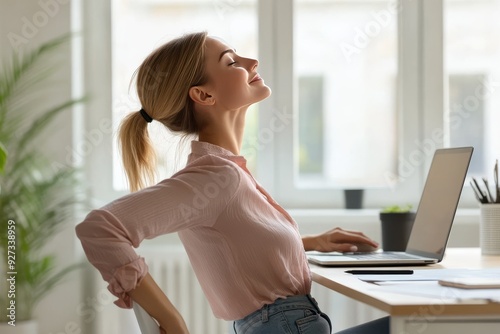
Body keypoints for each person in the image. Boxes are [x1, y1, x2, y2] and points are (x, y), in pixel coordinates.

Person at [75, 31, 380, 334]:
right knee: (419, 324)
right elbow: (100, 228)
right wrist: (171, 320)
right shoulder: (218, 177)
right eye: (232, 61)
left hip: (285, 325)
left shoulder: (224, 172)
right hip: (288, 326)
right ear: (204, 95)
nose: (252, 62)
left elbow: (242, 250)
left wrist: (311, 242)